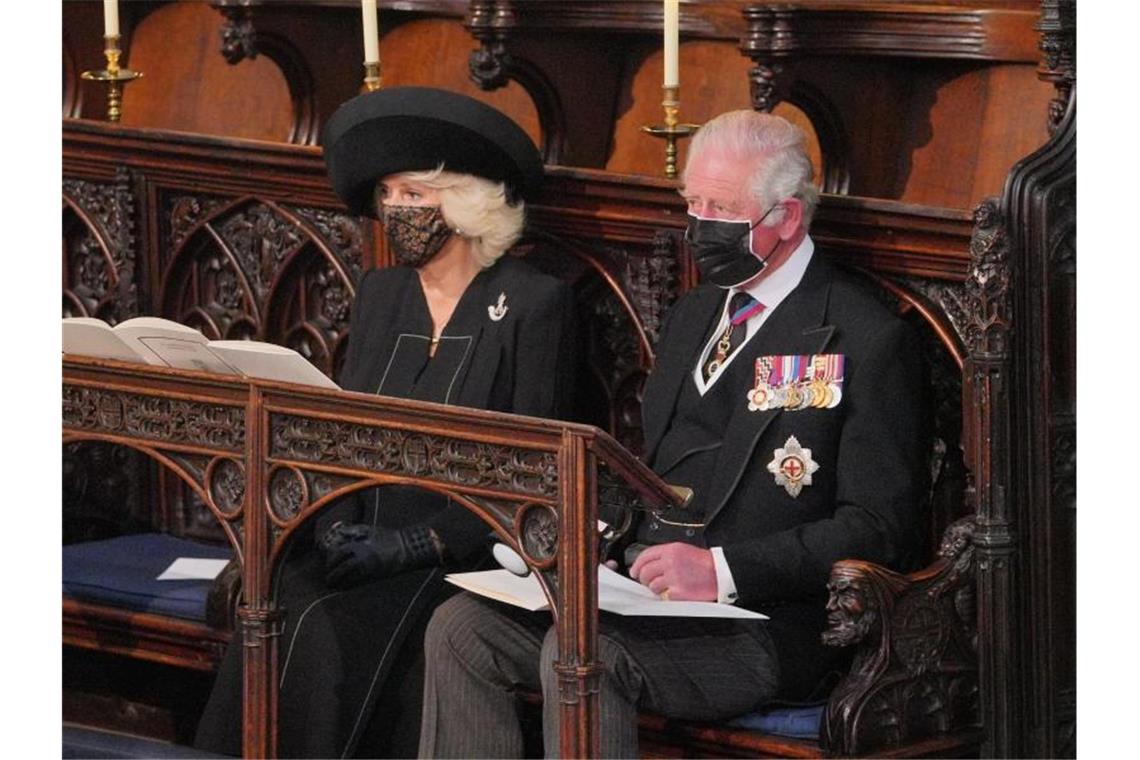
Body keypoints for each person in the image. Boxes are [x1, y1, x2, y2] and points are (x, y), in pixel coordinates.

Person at [417, 109, 928, 758]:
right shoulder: (694, 312)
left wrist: (721, 570)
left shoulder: (861, 334)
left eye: (721, 209)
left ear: (787, 218)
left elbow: (878, 526)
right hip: (644, 593)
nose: (699, 228)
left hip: (767, 620)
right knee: (462, 628)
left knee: (584, 654)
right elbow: (655, 469)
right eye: (693, 203)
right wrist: (596, 542)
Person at [193, 87, 577, 759]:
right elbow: (344, 428)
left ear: (462, 203)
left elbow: (538, 466)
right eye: (389, 195)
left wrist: (421, 542)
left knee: (330, 628)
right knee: (275, 600)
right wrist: (330, 514)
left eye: (413, 195)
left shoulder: (532, 303)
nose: (395, 210)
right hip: (361, 534)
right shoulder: (382, 292)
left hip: (461, 554)